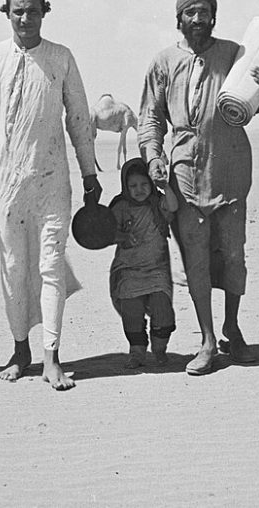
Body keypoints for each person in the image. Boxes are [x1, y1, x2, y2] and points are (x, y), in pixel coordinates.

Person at [0, 0, 101, 390]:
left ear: (45, 12)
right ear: (7, 12)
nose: (25, 18)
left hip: (53, 181)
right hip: (8, 185)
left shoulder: (61, 58)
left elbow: (78, 117)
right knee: (12, 269)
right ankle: (20, 348)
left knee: (51, 267)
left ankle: (51, 357)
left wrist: (90, 172)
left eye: (33, 10)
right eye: (17, 10)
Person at [138, 0, 259, 375]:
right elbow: (149, 118)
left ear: (214, 16)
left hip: (231, 166)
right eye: (190, 13)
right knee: (195, 258)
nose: (198, 19)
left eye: (205, 12)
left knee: (233, 254)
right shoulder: (163, 62)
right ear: (178, 18)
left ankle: (233, 327)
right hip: (183, 172)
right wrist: (153, 159)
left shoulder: (235, 53)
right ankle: (208, 339)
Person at [108, 157, 178, 368]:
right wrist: (122, 237)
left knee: (162, 308)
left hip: (157, 268)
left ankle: (159, 350)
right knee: (132, 310)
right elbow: (106, 232)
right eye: (133, 186)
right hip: (128, 270)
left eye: (144, 184)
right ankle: (137, 352)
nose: (139, 190)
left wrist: (164, 187)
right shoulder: (120, 207)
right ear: (125, 187)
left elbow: (173, 207)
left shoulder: (158, 203)